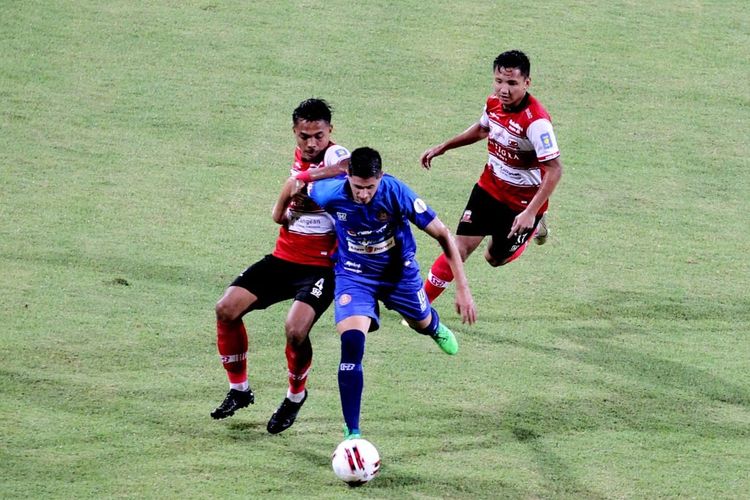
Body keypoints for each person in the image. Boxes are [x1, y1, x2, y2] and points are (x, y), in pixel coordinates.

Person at [281, 146, 476, 439]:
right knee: (351, 345)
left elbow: (444, 234)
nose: (363, 194)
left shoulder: (396, 192)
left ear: (381, 178)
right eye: (358, 187)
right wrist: (279, 211)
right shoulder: (330, 192)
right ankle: (352, 432)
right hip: (354, 276)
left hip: (398, 275)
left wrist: (462, 288)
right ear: (347, 176)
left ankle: (433, 327)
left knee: (421, 322)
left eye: (369, 187)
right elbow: (298, 184)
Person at [210, 98, 349, 434]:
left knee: (295, 329)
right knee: (226, 309)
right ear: (294, 133)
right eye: (304, 136)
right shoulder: (300, 157)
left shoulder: (334, 155)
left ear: (330, 131)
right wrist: (288, 203)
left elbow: (348, 167)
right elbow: (281, 216)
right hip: (283, 258)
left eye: (319, 134)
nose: (312, 143)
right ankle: (239, 390)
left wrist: (302, 178)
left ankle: (295, 396)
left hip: (320, 267)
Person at [419, 50, 563, 303]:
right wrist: (444, 146)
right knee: (458, 247)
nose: (503, 89)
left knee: (494, 258)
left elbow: (555, 169)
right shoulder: (493, 103)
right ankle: (418, 306)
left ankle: (534, 227)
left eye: (512, 83)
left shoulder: (537, 121)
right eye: (499, 81)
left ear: (526, 83)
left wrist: (530, 212)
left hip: (521, 203)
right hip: (489, 188)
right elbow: (482, 129)